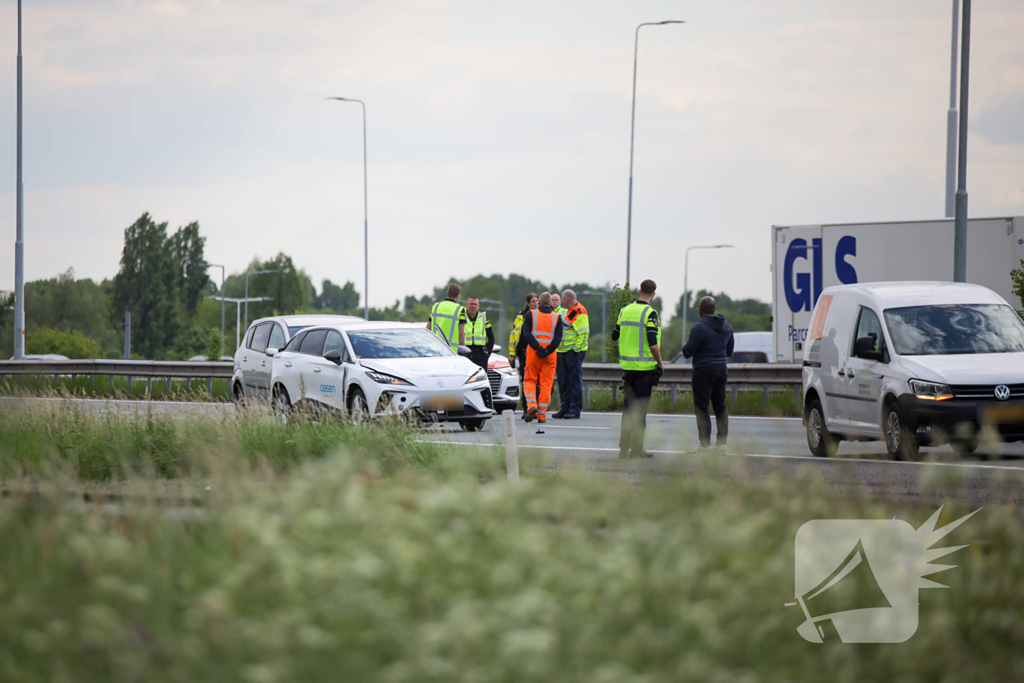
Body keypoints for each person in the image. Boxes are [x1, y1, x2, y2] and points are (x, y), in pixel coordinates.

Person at [612, 279, 663, 458]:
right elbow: (653, 344)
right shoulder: (650, 313)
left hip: (628, 368)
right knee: (640, 411)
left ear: (639, 290)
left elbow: (614, 337)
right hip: (644, 370)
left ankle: (623, 449)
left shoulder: (624, 311)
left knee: (628, 409)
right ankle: (637, 450)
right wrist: (660, 364)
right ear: (653, 294)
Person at [682, 296, 735, 450]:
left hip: (703, 370)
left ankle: (705, 446)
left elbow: (686, 352)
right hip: (721, 370)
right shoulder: (727, 326)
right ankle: (722, 445)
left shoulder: (699, 328)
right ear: (715, 309)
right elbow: (729, 351)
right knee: (720, 407)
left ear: (701, 309)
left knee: (702, 408)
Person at [522, 292, 563, 424]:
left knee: (529, 380)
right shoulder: (557, 318)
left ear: (539, 302)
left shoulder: (531, 314)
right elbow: (558, 339)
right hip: (550, 355)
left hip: (534, 353)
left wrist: (538, 348)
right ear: (551, 303)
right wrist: (547, 351)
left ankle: (532, 404)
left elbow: (527, 334)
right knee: (546, 384)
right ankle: (541, 416)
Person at [551, 289, 589, 419]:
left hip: (572, 352)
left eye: (562, 300)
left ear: (566, 300)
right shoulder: (570, 311)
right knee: (564, 381)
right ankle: (565, 407)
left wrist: (576, 349)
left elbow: (583, 333)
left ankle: (574, 409)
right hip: (563, 351)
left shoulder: (579, 311)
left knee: (573, 381)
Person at [509, 293, 538, 412]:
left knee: (536, 380)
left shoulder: (540, 315)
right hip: (522, 351)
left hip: (536, 351)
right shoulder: (521, 316)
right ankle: (527, 407)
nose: (536, 304)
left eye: (537, 301)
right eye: (533, 302)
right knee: (525, 380)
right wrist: (511, 354)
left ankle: (536, 406)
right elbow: (513, 336)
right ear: (528, 303)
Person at [427, 283, 467, 351]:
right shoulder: (459, 309)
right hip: (451, 350)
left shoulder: (436, 307)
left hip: (435, 349)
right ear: (458, 295)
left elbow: (428, 328)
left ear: (447, 293)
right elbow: (461, 333)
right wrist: (463, 349)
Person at [464, 296, 494, 370]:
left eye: (475, 304)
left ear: (478, 306)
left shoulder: (483, 318)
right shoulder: (462, 317)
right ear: (467, 305)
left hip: (480, 354)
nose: (473, 306)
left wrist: (488, 353)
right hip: (466, 353)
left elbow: (491, 337)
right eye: (471, 304)